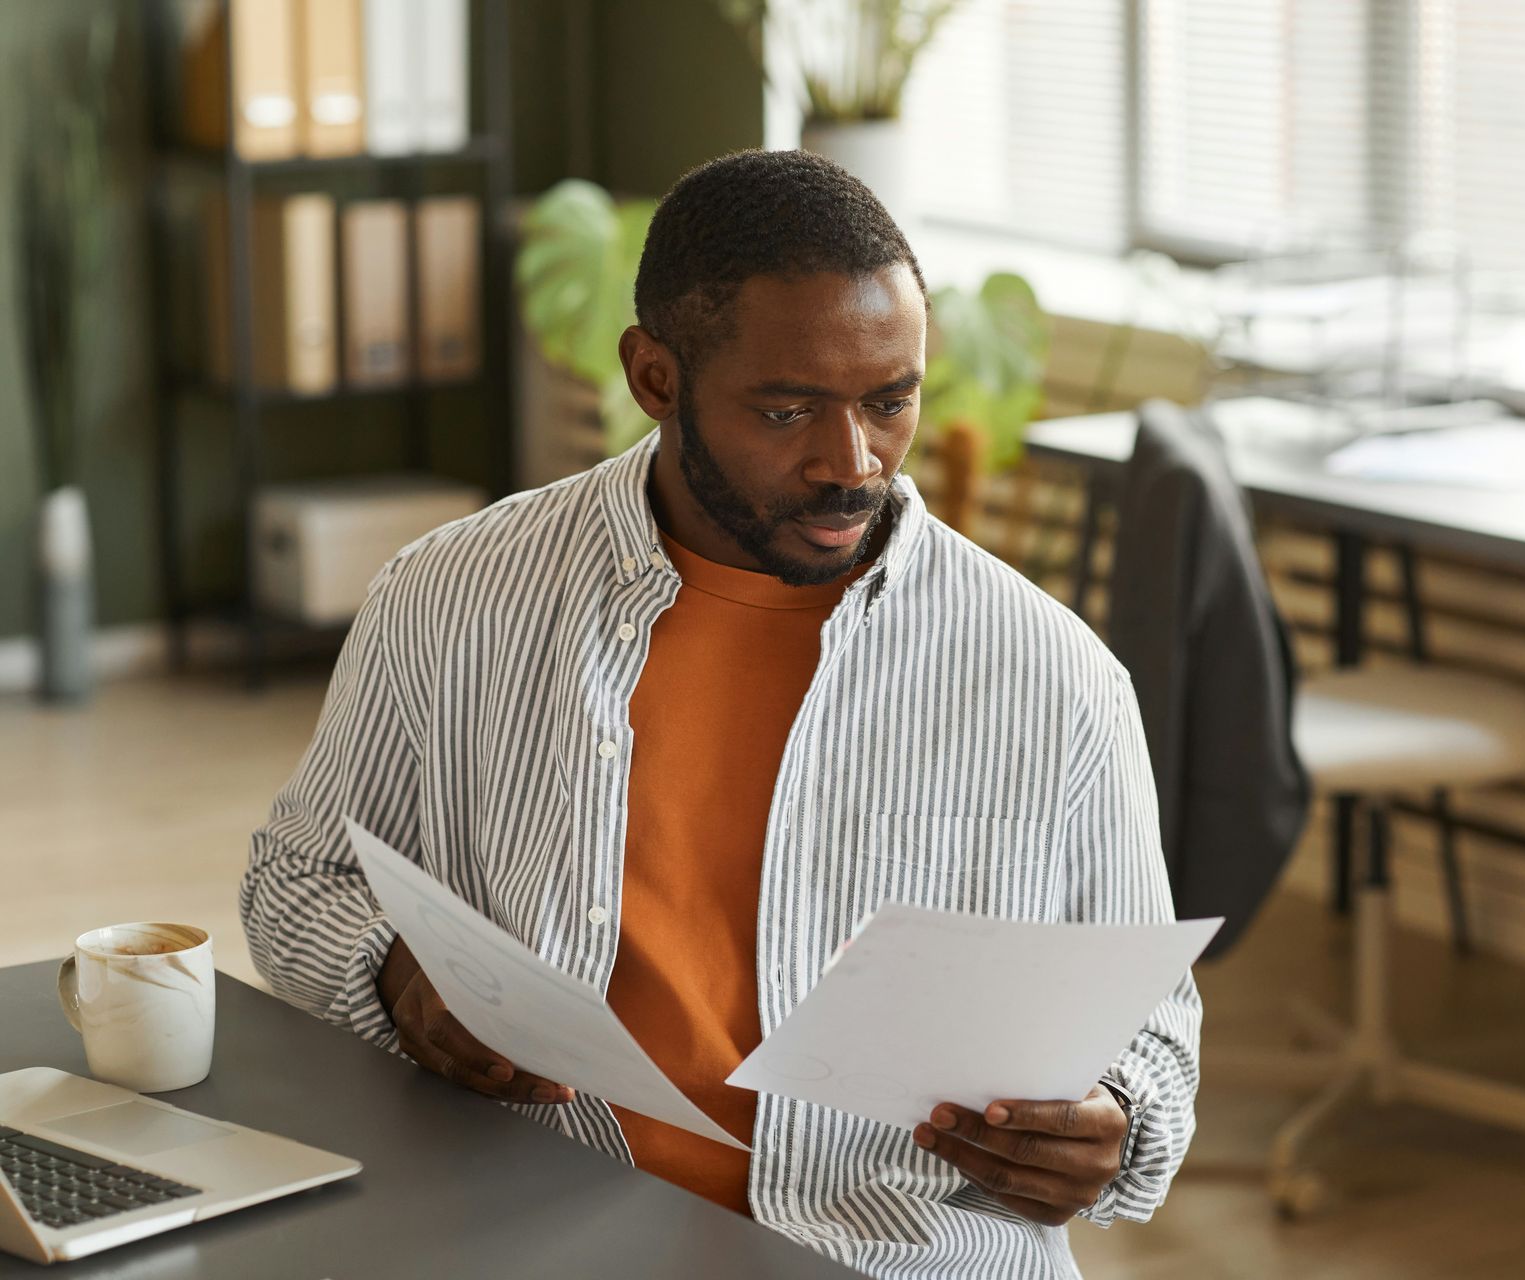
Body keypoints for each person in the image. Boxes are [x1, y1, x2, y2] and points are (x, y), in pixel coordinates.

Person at [242, 148, 1199, 1279]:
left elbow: (1156, 1039)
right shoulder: (452, 598)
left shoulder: (1058, 679)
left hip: (904, 1254)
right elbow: (295, 881)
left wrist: (1113, 1122)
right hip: (543, 1229)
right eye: (787, 410)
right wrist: (399, 978)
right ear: (656, 375)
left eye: (891, 401)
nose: (853, 462)